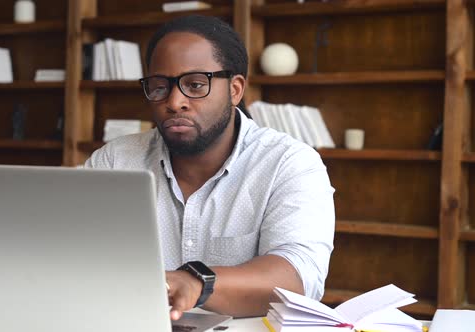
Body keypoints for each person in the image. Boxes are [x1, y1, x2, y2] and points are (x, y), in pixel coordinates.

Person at [84, 15, 335, 319]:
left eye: (195, 84)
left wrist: (197, 281)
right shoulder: (115, 162)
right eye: (160, 86)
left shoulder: (288, 163)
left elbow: (298, 276)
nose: (175, 101)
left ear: (235, 90)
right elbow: (75, 252)